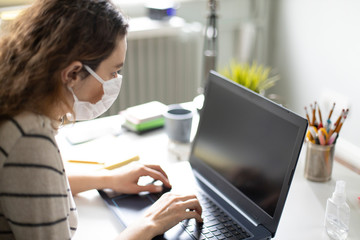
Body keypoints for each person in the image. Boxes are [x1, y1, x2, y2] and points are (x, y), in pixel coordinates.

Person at [0, 0, 202, 239]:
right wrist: (148, 223)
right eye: (113, 72)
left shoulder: (20, 107)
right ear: (73, 73)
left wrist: (109, 178)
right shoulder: (29, 138)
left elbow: (38, 182)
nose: (116, 79)